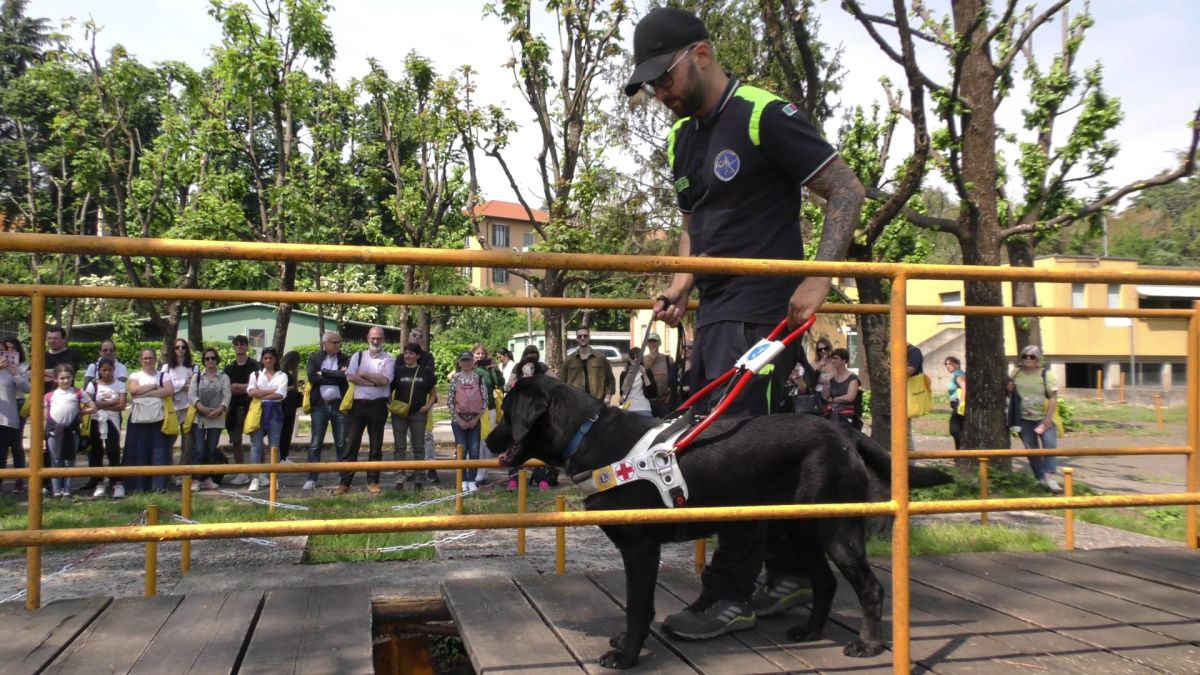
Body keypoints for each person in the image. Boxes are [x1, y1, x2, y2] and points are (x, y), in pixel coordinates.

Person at [633, 7, 864, 640]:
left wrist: (819, 276)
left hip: (764, 310)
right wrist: (681, 283)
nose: (660, 92)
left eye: (665, 77)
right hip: (714, 312)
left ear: (701, 54)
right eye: (650, 85)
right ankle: (788, 573)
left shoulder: (763, 114)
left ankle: (730, 594)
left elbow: (846, 189)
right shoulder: (682, 138)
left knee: (730, 454)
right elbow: (696, 223)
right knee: (737, 446)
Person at [336, 326, 393, 495]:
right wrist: (374, 382)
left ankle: (373, 481)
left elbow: (385, 380)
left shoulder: (389, 359)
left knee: (376, 446)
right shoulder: (358, 356)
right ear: (367, 338)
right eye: (373, 338)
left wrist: (363, 373)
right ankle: (345, 483)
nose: (375, 341)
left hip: (378, 405)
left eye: (379, 338)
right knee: (352, 444)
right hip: (358, 405)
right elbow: (350, 377)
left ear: (384, 340)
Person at [1008, 345, 1062, 493]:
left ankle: (1049, 478)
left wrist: (1048, 419)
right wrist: (1009, 386)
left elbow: (1053, 397)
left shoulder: (1045, 374)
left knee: (1050, 447)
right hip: (1024, 419)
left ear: (1037, 359)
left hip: (1044, 418)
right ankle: (1040, 479)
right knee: (1032, 451)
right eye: (1025, 356)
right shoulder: (1015, 373)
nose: (1028, 359)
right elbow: (1009, 391)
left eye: (1032, 356)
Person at [507, 345, 557, 491]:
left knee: (539, 447)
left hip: (538, 414)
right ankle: (514, 479)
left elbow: (556, 380)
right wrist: (520, 381)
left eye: (534, 353)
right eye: (529, 353)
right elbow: (509, 384)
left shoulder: (541, 367)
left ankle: (541, 478)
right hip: (520, 414)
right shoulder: (518, 367)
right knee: (516, 446)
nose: (531, 355)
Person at [124, 348, 174, 493]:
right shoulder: (135, 375)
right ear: (141, 360)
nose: (148, 361)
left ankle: (158, 486)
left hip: (158, 419)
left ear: (155, 359)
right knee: (139, 451)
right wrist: (153, 387)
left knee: (159, 452)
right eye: (145, 358)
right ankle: (139, 486)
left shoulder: (163, 375)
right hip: (139, 420)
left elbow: (169, 391)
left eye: (151, 358)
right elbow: (133, 390)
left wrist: (144, 393)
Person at [304, 331, 349, 491]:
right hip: (319, 405)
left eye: (339, 342)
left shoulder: (345, 358)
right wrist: (336, 376)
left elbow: (345, 377)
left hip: (339, 405)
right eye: (334, 342)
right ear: (325, 344)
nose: (338, 345)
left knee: (341, 442)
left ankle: (343, 478)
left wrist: (323, 372)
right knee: (316, 443)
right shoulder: (315, 358)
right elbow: (312, 377)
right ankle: (312, 478)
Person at [44, 364, 94, 497]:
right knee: (55, 460)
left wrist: (81, 412)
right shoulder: (49, 396)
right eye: (62, 378)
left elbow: (93, 407)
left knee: (70, 460)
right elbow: (45, 416)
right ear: (56, 379)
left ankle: (67, 490)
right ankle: (56, 490)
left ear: (72, 377)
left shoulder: (78, 392)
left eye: (68, 377)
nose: (65, 380)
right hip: (54, 431)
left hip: (72, 430)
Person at [390, 342, 436, 488]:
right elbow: (388, 390)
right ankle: (399, 478)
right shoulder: (397, 371)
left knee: (418, 446)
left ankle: (419, 478)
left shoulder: (425, 372)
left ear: (418, 356)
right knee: (400, 446)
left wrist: (427, 407)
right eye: (406, 353)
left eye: (411, 353)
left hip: (418, 414)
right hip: (399, 414)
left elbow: (433, 393)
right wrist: (391, 405)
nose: (408, 356)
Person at [81, 357, 126, 498]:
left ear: (114, 370)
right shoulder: (93, 385)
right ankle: (99, 481)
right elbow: (89, 403)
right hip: (96, 420)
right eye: (104, 370)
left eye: (110, 370)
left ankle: (116, 482)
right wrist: (112, 402)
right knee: (96, 451)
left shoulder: (120, 385)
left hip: (113, 421)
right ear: (99, 371)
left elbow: (122, 405)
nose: (107, 373)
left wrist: (100, 404)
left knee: (113, 451)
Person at [246, 347, 287, 493]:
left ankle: (274, 479)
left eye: (271, 358)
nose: (268, 360)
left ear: (275, 360)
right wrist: (270, 391)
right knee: (256, 445)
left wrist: (261, 394)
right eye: (265, 358)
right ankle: (255, 479)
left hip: (275, 411)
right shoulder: (255, 374)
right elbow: (251, 391)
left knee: (274, 445)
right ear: (262, 360)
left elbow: (280, 394)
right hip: (258, 411)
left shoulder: (282, 375)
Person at [190, 347, 230, 491]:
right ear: (204, 361)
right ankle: (196, 479)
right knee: (199, 449)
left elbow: (227, 396)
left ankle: (207, 478)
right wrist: (201, 407)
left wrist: (220, 409)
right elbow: (192, 395)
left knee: (211, 449)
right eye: (207, 358)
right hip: (200, 418)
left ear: (217, 360)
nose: (210, 360)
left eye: (213, 358)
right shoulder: (197, 377)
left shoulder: (224, 377)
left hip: (217, 418)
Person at [448, 351, 487, 492]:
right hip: (458, 420)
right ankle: (463, 479)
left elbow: (485, 401)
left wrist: (476, 419)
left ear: (473, 362)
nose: (466, 363)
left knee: (475, 451)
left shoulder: (479, 378)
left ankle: (472, 480)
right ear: (459, 362)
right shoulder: (455, 379)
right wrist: (459, 420)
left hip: (475, 420)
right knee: (461, 450)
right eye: (463, 360)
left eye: (469, 360)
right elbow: (450, 401)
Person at [223, 335, 258, 485]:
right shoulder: (229, 368)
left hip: (251, 407)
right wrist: (246, 387)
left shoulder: (254, 366)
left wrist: (241, 387)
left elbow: (256, 386)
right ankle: (241, 472)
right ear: (233, 347)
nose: (239, 346)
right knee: (236, 441)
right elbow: (227, 388)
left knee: (256, 441)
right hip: (234, 408)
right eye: (237, 344)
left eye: (242, 344)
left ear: (247, 346)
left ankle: (258, 473)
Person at [408, 327, 439, 484]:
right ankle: (418, 469)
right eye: (414, 335)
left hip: (424, 400)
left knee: (426, 436)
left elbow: (428, 377)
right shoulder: (401, 357)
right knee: (412, 437)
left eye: (420, 336)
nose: (417, 338)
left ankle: (431, 468)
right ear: (408, 337)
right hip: (406, 402)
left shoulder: (428, 357)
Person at [162, 338, 196, 483]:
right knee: (169, 441)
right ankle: (168, 473)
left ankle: (182, 472)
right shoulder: (166, 367)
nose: (180, 350)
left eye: (183, 347)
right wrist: (183, 384)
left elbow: (193, 386)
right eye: (177, 347)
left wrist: (176, 386)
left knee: (188, 442)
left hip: (188, 407)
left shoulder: (193, 367)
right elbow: (166, 387)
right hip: (172, 408)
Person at [0, 337, 30, 493]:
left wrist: (14, 373)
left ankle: (19, 482)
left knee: (10, 449)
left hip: (8, 417)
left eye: (3, 351)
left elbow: (27, 389)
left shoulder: (13, 369)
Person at [472, 343, 505, 485]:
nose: (480, 356)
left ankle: (483, 473)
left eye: (483, 354)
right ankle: (475, 473)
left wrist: (496, 370)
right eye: (477, 353)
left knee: (486, 441)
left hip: (489, 408)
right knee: (476, 442)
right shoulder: (468, 366)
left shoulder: (489, 368)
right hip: (473, 409)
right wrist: (472, 367)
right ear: (472, 354)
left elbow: (500, 384)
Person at [561, 327, 615, 403]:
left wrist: (607, 398)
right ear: (576, 339)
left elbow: (611, 380)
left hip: (597, 402)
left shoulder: (600, 358)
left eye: (585, 336)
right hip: (576, 402)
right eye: (580, 336)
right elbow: (562, 383)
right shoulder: (569, 360)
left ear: (589, 337)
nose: (582, 338)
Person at [822, 348, 862, 430]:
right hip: (832, 413)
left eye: (835, 358)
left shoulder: (852, 378)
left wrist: (835, 399)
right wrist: (827, 382)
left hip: (847, 414)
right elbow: (826, 397)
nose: (832, 361)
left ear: (844, 360)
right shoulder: (831, 377)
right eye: (832, 358)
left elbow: (850, 397)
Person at [277, 350, 302, 463]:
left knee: (286, 432)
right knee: (285, 432)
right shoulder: (283, 373)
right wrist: (295, 386)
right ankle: (282, 457)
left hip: (289, 406)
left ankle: (284, 456)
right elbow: (281, 389)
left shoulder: (284, 372)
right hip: (285, 406)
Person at [642, 332, 675, 416]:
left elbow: (674, 379)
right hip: (647, 402)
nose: (653, 344)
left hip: (664, 401)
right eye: (650, 341)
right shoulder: (643, 360)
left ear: (659, 343)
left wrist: (670, 396)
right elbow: (642, 375)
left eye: (655, 341)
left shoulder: (668, 359)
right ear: (647, 344)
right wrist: (651, 359)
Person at [619, 346, 656, 417]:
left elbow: (652, 393)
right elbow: (622, 393)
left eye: (638, 358)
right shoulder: (624, 374)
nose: (635, 360)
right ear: (629, 359)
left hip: (643, 407)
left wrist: (644, 374)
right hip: (628, 408)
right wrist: (628, 377)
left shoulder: (647, 372)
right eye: (633, 357)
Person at [43, 325, 81, 390]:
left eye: (55, 338)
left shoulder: (72, 355)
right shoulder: (41, 356)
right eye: (49, 338)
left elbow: (65, 373)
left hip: (66, 393)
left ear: (64, 339)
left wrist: (40, 374)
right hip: (43, 394)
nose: (52, 341)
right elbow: (29, 374)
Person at [905, 342, 924, 452]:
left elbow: (908, 371)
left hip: (908, 395)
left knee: (904, 432)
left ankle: (910, 459)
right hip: (901, 395)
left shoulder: (913, 352)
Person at [945, 355, 966, 450]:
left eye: (950, 363)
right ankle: (960, 452)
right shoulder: (956, 374)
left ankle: (960, 452)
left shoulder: (958, 373)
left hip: (958, 403)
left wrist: (961, 403)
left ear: (957, 364)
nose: (947, 366)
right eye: (946, 364)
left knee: (954, 429)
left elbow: (964, 386)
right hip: (956, 404)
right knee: (959, 428)